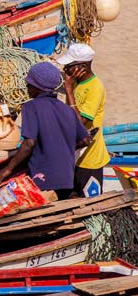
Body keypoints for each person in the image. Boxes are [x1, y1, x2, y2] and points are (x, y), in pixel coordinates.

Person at [0, 62, 89, 199]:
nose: (26, 87)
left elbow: (29, 143)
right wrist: (62, 149)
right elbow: (85, 139)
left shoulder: (31, 107)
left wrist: (8, 169)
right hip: (67, 178)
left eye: (29, 84)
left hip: (43, 178)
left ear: (37, 87)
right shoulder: (67, 109)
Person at [58, 43, 109, 197]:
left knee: (89, 202)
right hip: (75, 155)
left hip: (90, 158)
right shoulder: (77, 84)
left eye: (69, 66)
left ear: (83, 66)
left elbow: (81, 124)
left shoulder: (95, 88)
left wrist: (68, 89)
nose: (65, 70)